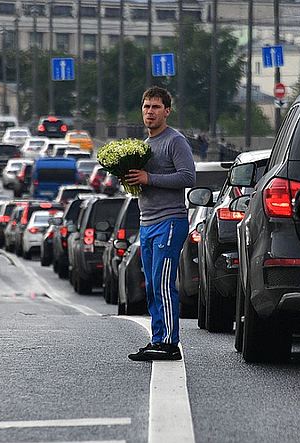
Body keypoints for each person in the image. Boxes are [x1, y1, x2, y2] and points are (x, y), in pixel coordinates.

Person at [126, 86, 196, 361]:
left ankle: (169, 343)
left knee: (163, 282)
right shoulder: (144, 145)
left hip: (169, 221)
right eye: (146, 107)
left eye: (155, 107)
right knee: (152, 285)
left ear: (167, 111)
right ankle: (157, 339)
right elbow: (142, 181)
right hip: (147, 222)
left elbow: (188, 177)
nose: (150, 112)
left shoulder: (174, 141)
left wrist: (149, 178)